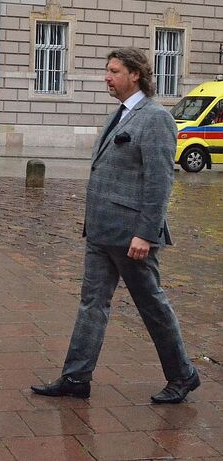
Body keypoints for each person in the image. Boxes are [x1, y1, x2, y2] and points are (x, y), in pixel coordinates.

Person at [32, 47, 199, 404]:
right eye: (107, 71)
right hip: (100, 231)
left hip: (131, 236)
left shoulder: (155, 118)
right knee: (91, 304)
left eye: (113, 71)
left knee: (151, 305)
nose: (106, 77)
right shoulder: (120, 115)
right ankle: (76, 378)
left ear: (135, 74)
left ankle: (183, 374)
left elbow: (159, 182)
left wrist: (145, 233)